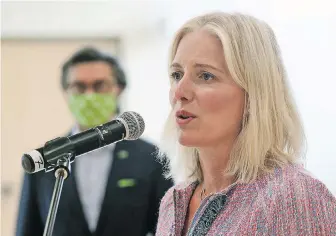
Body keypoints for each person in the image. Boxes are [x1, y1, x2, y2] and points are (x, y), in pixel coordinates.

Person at [155, 12, 336, 235]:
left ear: (254, 93)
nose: (179, 92)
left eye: (205, 76)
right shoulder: (172, 203)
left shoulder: (293, 196)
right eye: (176, 74)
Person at [16, 47, 172, 236]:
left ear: (119, 89)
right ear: (66, 93)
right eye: (79, 87)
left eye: (100, 86)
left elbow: (167, 228)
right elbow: (26, 229)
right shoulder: (44, 160)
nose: (89, 95)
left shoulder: (151, 157)